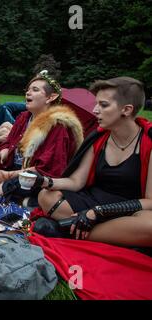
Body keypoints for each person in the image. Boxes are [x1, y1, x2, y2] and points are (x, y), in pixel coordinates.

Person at [34, 77, 152, 248]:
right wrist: (45, 181)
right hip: (93, 201)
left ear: (126, 110)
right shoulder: (99, 138)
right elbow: (76, 181)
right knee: (46, 195)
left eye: (103, 105)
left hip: (128, 211)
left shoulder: (148, 142)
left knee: (149, 225)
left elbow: (150, 201)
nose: (95, 110)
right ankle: (107, 233)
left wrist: (99, 213)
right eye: (97, 104)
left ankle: (65, 230)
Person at [0, 71, 84, 203]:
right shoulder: (23, 117)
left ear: (50, 97)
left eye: (35, 90)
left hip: (33, 177)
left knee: (19, 183)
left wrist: (8, 176)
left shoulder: (58, 127)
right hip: (13, 168)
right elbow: (9, 142)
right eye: (28, 90)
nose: (28, 93)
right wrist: (4, 151)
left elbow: (48, 170)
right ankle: (14, 196)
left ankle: (4, 193)